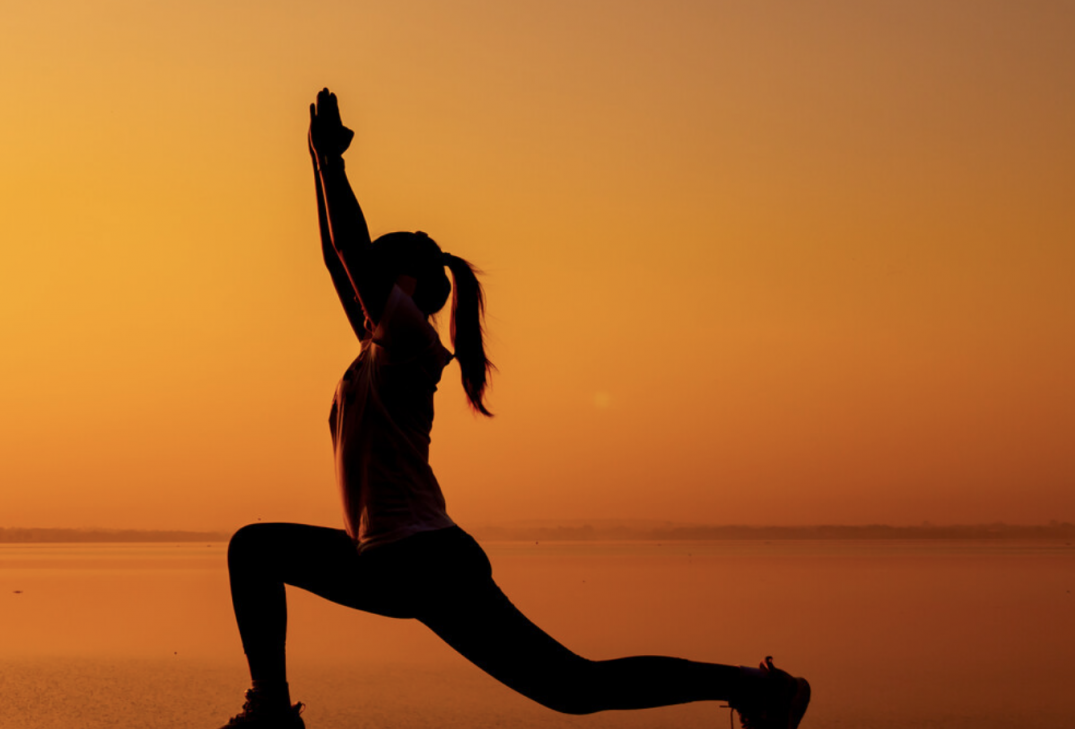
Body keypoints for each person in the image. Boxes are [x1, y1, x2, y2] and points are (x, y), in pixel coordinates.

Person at [219, 88, 811, 729]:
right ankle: (272, 712)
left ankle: (756, 688)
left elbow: (348, 252)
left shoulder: (410, 340)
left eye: (378, 272)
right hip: (381, 558)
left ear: (403, 282)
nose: (361, 282)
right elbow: (339, 257)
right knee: (254, 549)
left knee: (574, 687)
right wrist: (315, 160)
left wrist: (332, 166)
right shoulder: (376, 345)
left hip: (424, 559)